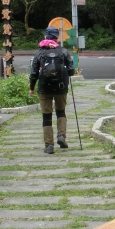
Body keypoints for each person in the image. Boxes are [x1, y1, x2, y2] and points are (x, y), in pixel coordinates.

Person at [29, 26, 75, 154]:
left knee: (46, 116)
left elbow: (33, 73)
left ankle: (49, 145)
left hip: (44, 88)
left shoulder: (39, 53)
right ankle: (61, 136)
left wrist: (32, 88)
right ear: (57, 37)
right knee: (61, 112)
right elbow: (71, 71)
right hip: (61, 87)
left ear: (45, 36)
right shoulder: (63, 51)